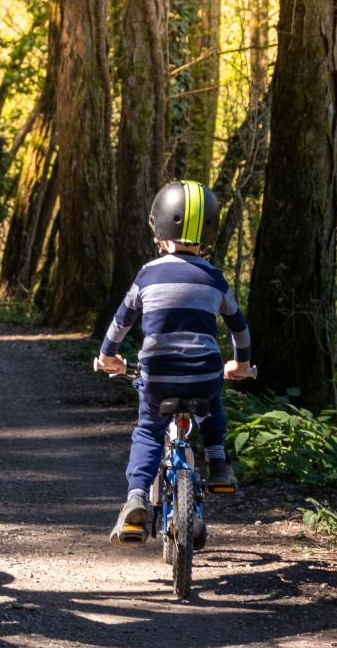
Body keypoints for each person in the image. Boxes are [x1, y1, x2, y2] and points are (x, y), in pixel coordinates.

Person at [96, 180, 255, 547]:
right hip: (202, 375)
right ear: (209, 231)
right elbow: (240, 327)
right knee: (211, 397)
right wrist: (240, 364)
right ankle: (218, 463)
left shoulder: (148, 275)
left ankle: (136, 498)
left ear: (161, 228)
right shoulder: (214, 278)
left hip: (158, 377)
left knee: (149, 431)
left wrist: (108, 357)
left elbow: (121, 323)